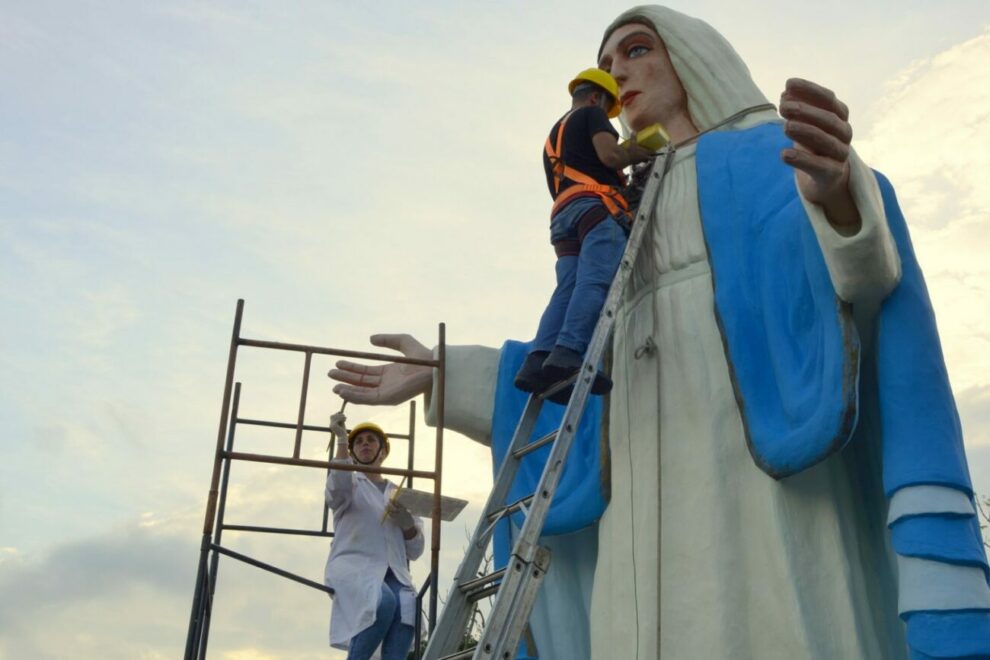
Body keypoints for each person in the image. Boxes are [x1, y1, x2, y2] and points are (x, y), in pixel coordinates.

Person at [329, 6, 990, 659]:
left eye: (637, 50)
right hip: (639, 451)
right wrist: (443, 371)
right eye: (610, 60)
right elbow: (577, 356)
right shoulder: (627, 197)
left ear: (693, 58)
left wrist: (840, 197)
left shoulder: (768, 153)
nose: (619, 70)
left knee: (770, 608)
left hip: (753, 458)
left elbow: (860, 280)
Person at [514, 68, 653, 402]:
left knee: (568, 287)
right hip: (594, 210)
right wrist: (639, 151)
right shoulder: (592, 114)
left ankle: (537, 360)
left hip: (563, 218)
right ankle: (569, 353)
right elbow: (611, 155)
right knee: (594, 282)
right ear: (596, 98)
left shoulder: (553, 136)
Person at [323, 414, 424, 660]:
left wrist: (407, 524)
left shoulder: (400, 494)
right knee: (383, 601)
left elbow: (416, 549)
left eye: (371, 440)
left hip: (395, 572)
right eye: (358, 442)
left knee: (407, 608)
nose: (364, 444)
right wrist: (340, 440)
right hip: (353, 565)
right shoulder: (351, 483)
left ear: (382, 451)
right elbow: (336, 490)